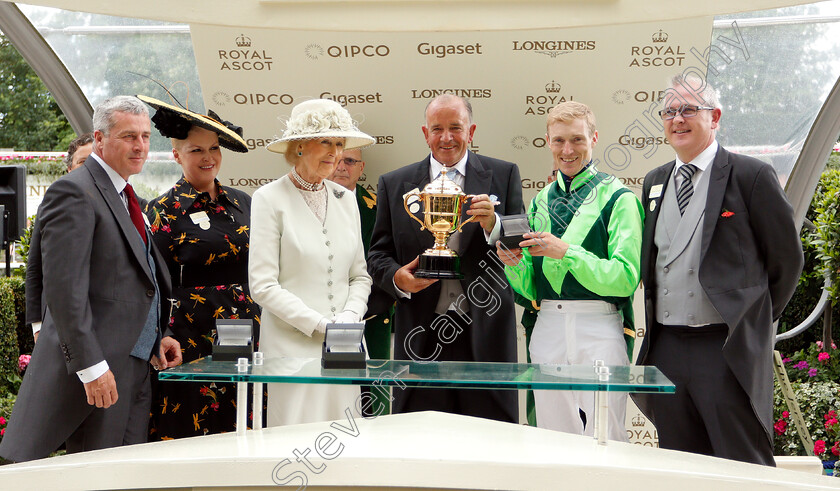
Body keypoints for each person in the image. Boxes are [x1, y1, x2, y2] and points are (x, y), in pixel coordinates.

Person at [632, 75, 803, 465]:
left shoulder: (751, 176)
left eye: (689, 109)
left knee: (741, 462)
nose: (678, 119)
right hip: (667, 348)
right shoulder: (655, 181)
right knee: (680, 462)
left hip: (725, 348)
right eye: (669, 112)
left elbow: (786, 260)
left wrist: (753, 319)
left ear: (715, 117)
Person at [0, 96, 181, 462]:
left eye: (146, 136)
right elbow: (66, 294)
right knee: (92, 476)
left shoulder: (128, 197)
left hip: (137, 365)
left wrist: (155, 336)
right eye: (129, 136)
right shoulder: (75, 192)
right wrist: (92, 368)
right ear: (99, 139)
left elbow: (131, 280)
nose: (140, 146)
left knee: (124, 476)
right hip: (97, 373)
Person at [367, 94, 523, 423]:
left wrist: (492, 224)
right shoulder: (394, 184)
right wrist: (398, 278)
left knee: (492, 439)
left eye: (456, 127)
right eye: (437, 129)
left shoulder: (504, 174)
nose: (446, 137)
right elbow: (378, 254)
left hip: (486, 331)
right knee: (419, 437)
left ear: (472, 131)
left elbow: (517, 247)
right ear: (425, 134)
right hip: (420, 336)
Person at [497, 101, 642, 441]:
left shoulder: (619, 197)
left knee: (607, 433)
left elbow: (624, 279)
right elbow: (532, 291)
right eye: (559, 140)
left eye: (577, 140)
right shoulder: (541, 200)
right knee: (551, 435)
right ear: (547, 140)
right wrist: (515, 267)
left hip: (600, 323)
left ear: (594, 138)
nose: (568, 150)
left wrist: (567, 253)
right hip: (547, 324)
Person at [139, 95, 259, 439]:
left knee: (246, 423)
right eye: (196, 150)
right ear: (176, 155)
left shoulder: (244, 202)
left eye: (214, 148)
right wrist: (162, 334)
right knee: (194, 424)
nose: (208, 158)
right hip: (192, 335)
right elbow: (151, 281)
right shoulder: (164, 210)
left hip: (248, 329)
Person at [249, 99, 374, 426]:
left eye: (339, 143)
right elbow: (262, 286)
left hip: (344, 350)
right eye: (325, 141)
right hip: (291, 353)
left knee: (344, 444)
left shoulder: (347, 200)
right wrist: (322, 326)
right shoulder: (268, 199)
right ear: (300, 146)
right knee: (293, 445)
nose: (335, 152)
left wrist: (348, 319)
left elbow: (360, 277)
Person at [329, 147, 394, 415]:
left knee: (373, 403)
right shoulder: (301, 205)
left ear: (361, 167)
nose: (342, 166)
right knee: (329, 399)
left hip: (372, 316)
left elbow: (388, 259)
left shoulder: (380, 207)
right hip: (319, 317)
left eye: (350, 161)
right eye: (336, 160)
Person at [26, 133, 96, 345]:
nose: (89, 169)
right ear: (69, 169)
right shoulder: (55, 202)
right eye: (83, 162)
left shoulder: (128, 204)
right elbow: (35, 266)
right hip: (59, 327)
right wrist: (37, 325)